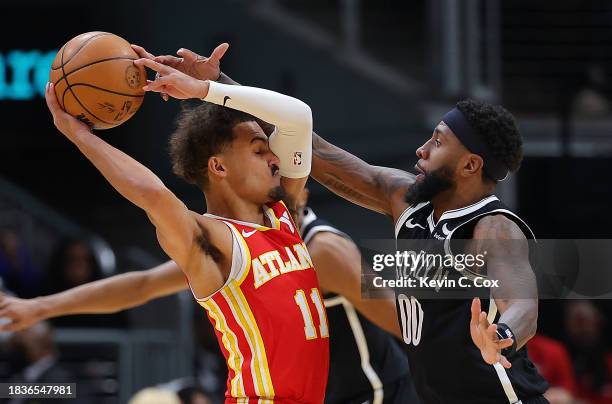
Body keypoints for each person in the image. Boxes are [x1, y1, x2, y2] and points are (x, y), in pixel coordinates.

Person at [138, 44, 549, 403]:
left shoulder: (492, 228)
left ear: (470, 165)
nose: (422, 150)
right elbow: (311, 148)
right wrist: (219, 86)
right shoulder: (405, 198)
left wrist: (503, 336)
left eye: (438, 142)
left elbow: (524, 304)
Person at [42, 42, 328, 403]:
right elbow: (153, 195)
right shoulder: (214, 240)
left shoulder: (280, 213)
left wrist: (207, 88)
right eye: (259, 150)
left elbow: (298, 116)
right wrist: (81, 136)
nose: (274, 156)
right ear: (219, 166)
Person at [0, 189, 416, 403]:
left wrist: (473, 352)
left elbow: (411, 321)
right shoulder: (242, 243)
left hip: (371, 395)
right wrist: (40, 306)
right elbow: (143, 284)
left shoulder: (323, 250)